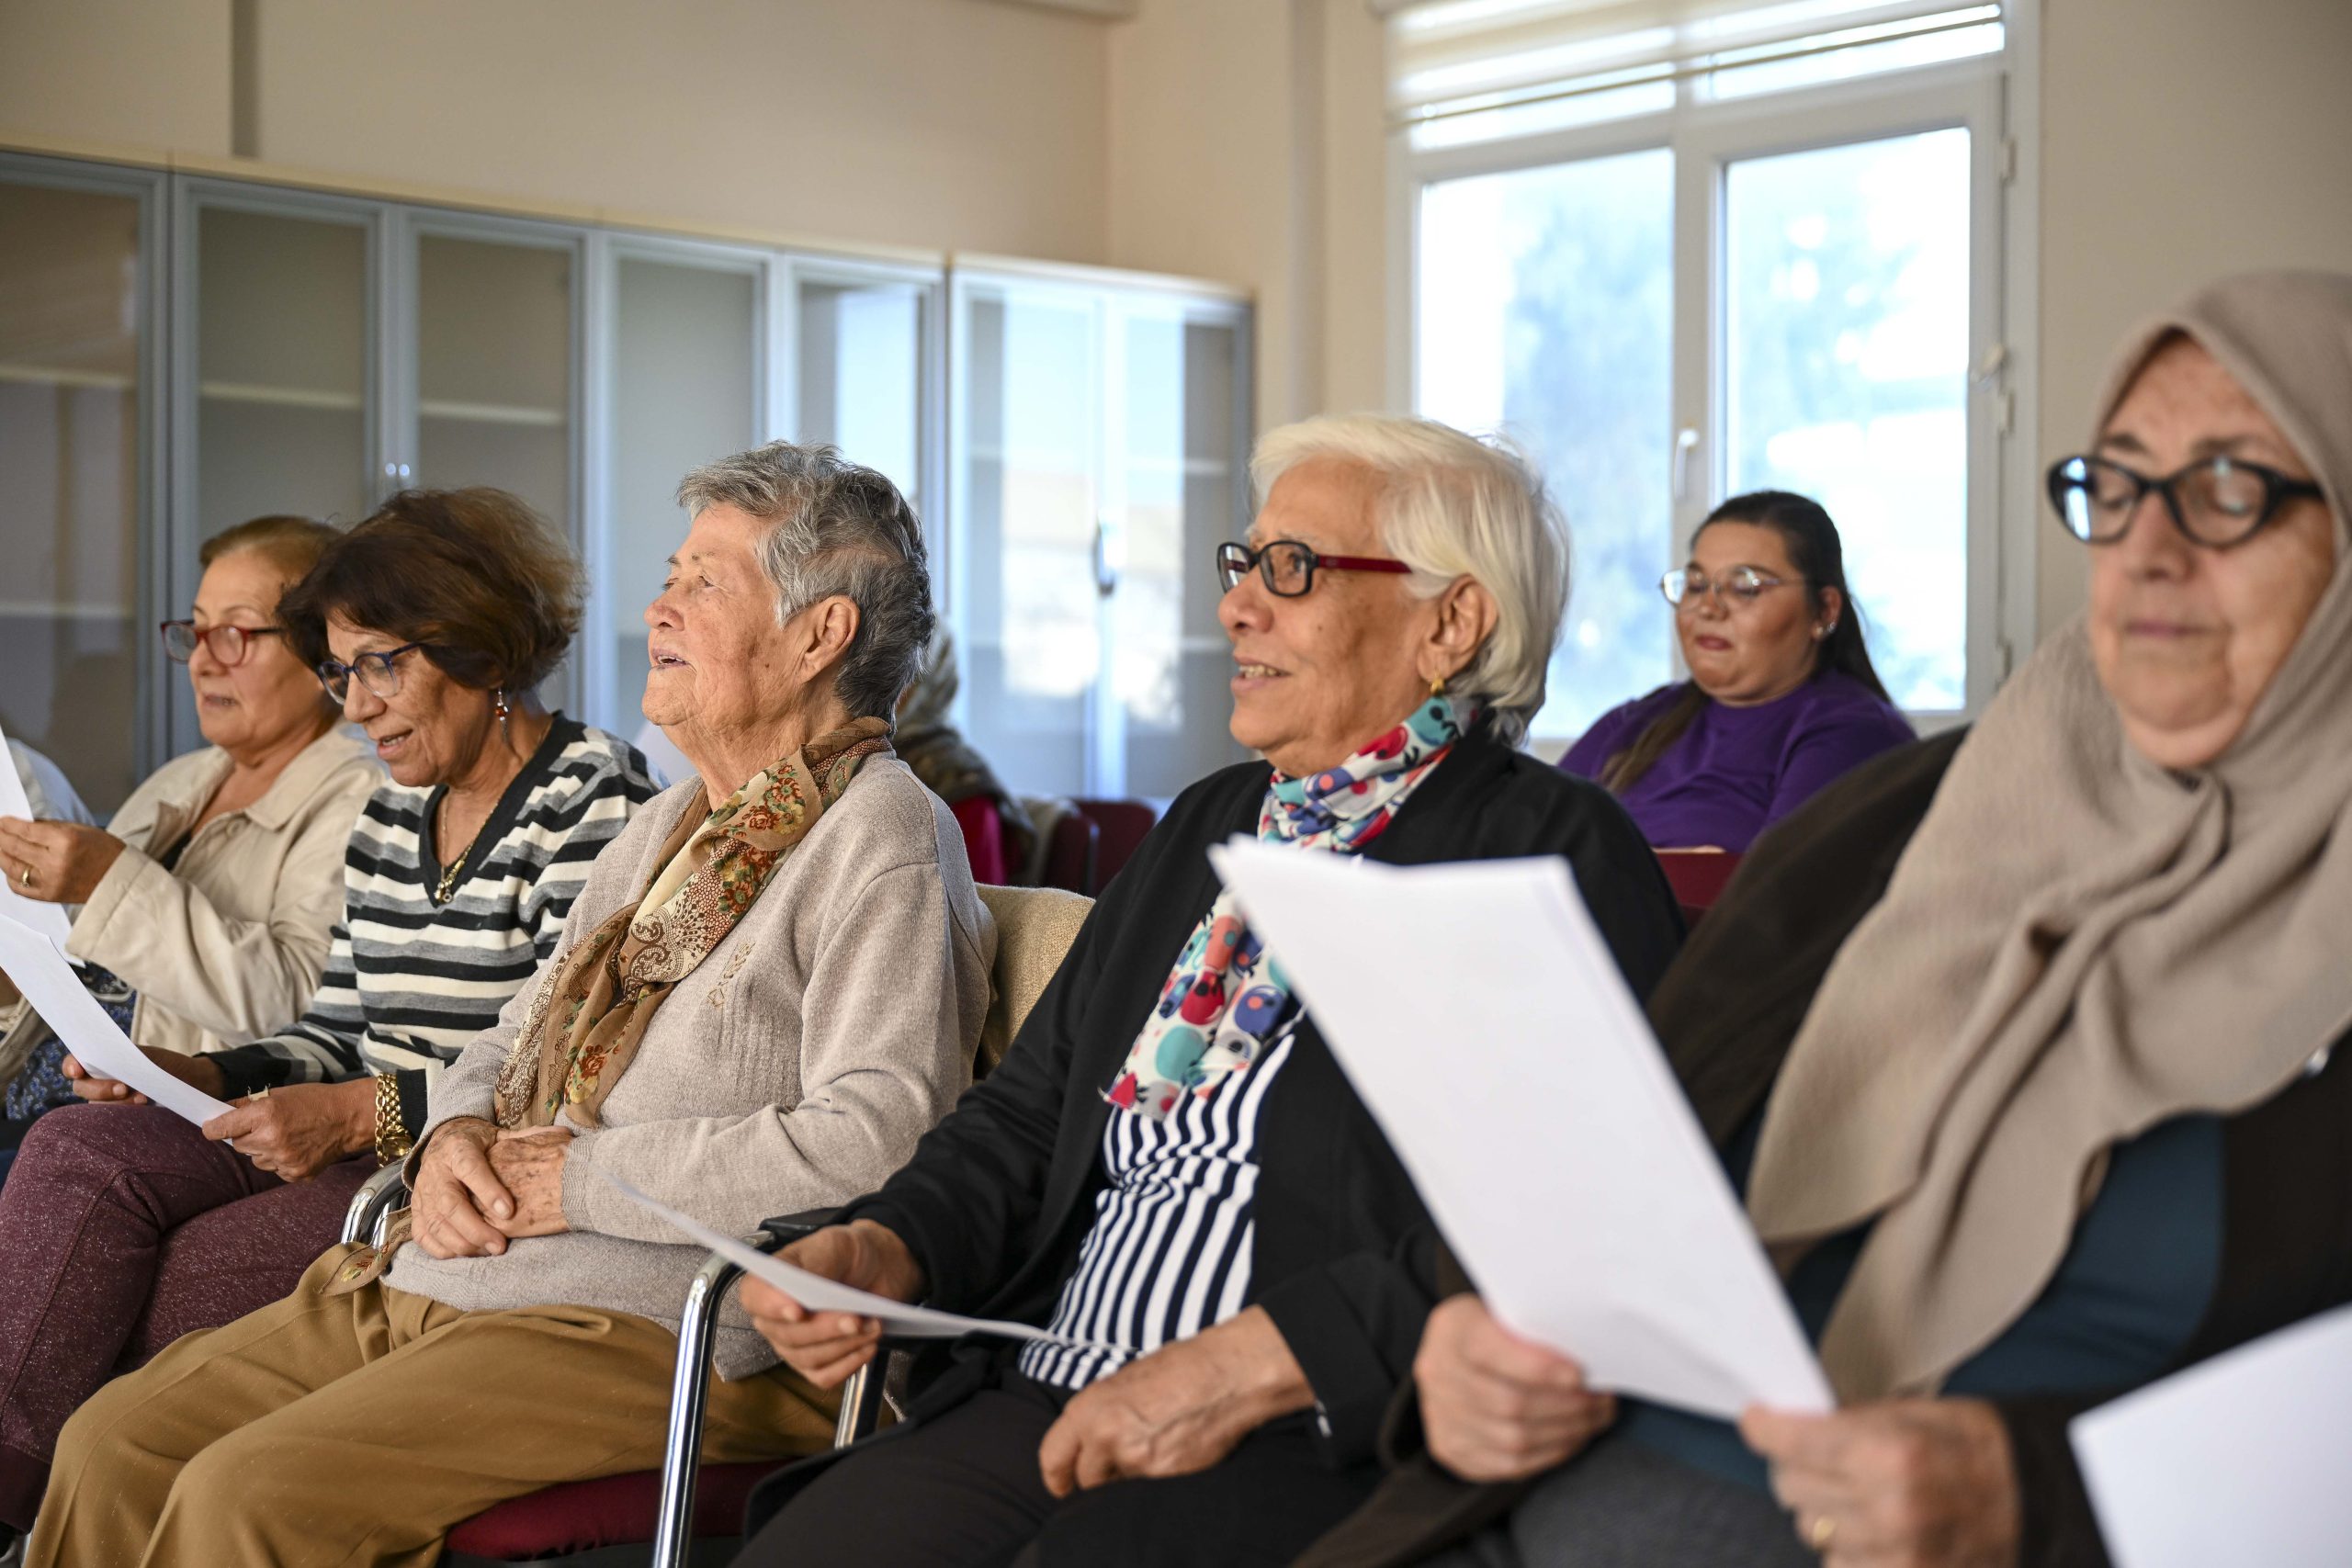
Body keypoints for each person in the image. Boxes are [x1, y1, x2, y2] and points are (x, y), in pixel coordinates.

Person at [1299, 270, 2352, 1568]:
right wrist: (1460, 1345)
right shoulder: (1922, 813)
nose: (2150, 549)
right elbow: (1626, 1160)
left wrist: (2048, 1494)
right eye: (2119, 487)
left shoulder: (1843, 745)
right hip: (1529, 1492)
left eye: (2231, 489)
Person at [732, 414, 1684, 1568]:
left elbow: (1572, 1216)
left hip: (1310, 1431)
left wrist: (1251, 1366)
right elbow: (1030, 1114)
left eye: (1295, 569)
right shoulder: (1211, 823)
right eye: (1247, 565)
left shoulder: (1544, 849)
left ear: (1452, 621)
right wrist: (890, 1243)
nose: (1237, 607)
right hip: (1055, 1380)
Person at [25, 443, 994, 1568]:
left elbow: (877, 1144)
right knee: (112, 1443)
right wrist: (458, 1134)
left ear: (819, 635)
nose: (657, 605)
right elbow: (509, 1036)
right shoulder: (672, 826)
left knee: (251, 1495)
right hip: (472, 1269)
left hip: (653, 1320)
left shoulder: (880, 836)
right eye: (671, 574)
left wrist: (569, 1176)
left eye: (701, 583)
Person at [0, 488, 655, 1535]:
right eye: (342, 672)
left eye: (382, 665)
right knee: (82, 1145)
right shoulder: (398, 809)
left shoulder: (592, 799)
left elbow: (557, 1074)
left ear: (478, 650)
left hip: (436, 1168)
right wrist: (206, 1074)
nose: (356, 707)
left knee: (156, 1293)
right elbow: (333, 1029)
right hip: (347, 1128)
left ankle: (57, 1520)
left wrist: (360, 1117)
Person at [0, 518, 378, 1133]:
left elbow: (302, 1013)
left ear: (321, 652)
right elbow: (87, 975)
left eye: (233, 633)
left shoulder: (360, 797)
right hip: (40, 1100)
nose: (201, 662)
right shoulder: (180, 779)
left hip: (159, 1128)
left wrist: (107, 881)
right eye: (196, 633)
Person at [1559, 491, 1913, 852]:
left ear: (1824, 610)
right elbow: (1528, 842)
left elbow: (1775, 890)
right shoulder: (1637, 722)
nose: (1708, 608)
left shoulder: (1853, 732)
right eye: (1696, 586)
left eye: (1745, 588)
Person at [895, 627, 1035, 884]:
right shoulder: (849, 761)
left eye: (902, 675)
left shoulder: (964, 791)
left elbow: (979, 908)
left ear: (932, 684)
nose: (882, 689)